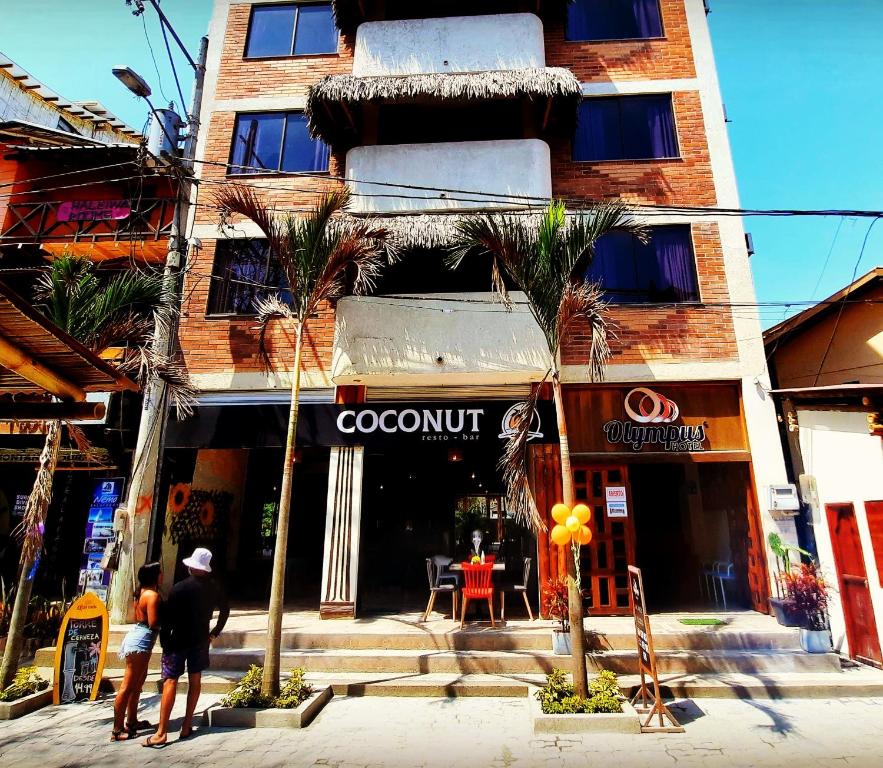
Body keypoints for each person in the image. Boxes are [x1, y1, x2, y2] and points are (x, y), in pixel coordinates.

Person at [143, 547, 228, 748]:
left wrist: (164, 641)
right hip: (200, 639)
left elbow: (167, 618)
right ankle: (187, 724)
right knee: (195, 679)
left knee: (170, 681)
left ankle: (162, 731)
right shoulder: (214, 587)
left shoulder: (179, 588)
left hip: (177, 640)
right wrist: (214, 632)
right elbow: (225, 609)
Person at [112, 562, 162, 741]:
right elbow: (154, 622)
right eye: (160, 573)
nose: (162, 575)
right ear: (155, 576)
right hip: (141, 641)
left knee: (138, 682)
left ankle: (132, 721)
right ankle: (117, 730)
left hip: (139, 637)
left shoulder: (140, 593)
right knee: (128, 686)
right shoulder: (152, 596)